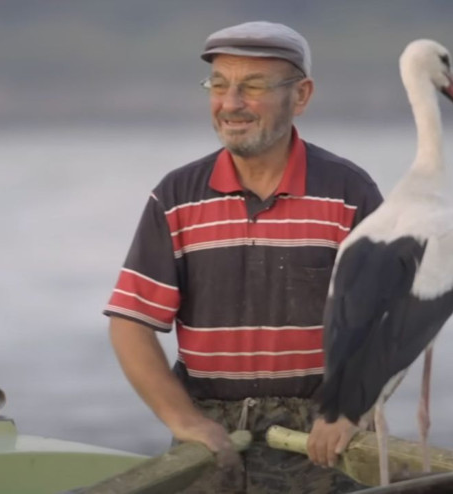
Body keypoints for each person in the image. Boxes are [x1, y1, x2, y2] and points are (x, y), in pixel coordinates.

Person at [104, 20, 384, 493]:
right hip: (211, 440)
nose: (230, 103)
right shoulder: (176, 197)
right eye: (219, 85)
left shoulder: (349, 194)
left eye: (252, 87)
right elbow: (130, 322)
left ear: (301, 96)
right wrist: (185, 423)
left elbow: (387, 320)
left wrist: (351, 409)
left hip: (322, 439)